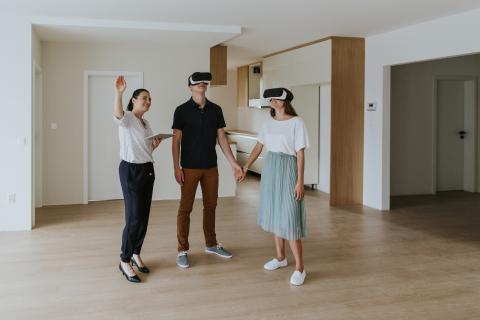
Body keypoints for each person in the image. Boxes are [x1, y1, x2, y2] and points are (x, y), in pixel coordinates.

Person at [172, 72, 243, 268]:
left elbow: (221, 138)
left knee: (211, 206)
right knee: (185, 209)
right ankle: (182, 250)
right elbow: (176, 140)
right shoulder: (181, 110)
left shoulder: (216, 110)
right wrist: (176, 167)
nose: (202, 84)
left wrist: (234, 164)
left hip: (211, 167)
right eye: (198, 82)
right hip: (189, 167)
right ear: (190, 86)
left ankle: (211, 244)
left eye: (205, 81)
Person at [241, 87, 310, 286]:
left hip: (288, 167)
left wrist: (299, 181)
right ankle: (280, 258)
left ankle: (300, 268)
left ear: (285, 101)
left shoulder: (297, 122)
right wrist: (246, 166)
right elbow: (258, 146)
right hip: (271, 167)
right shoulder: (268, 122)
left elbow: (300, 154)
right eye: (271, 99)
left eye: (276, 99)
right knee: (275, 212)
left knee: (289, 215)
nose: (273, 101)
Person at [114, 76, 162, 283]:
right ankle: (124, 260)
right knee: (133, 217)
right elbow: (116, 114)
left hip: (147, 169)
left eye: (150, 99)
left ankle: (135, 253)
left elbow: (148, 147)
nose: (148, 102)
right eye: (144, 98)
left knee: (143, 217)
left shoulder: (145, 122)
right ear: (134, 100)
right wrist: (119, 92)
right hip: (130, 170)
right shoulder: (127, 117)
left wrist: (156, 143)